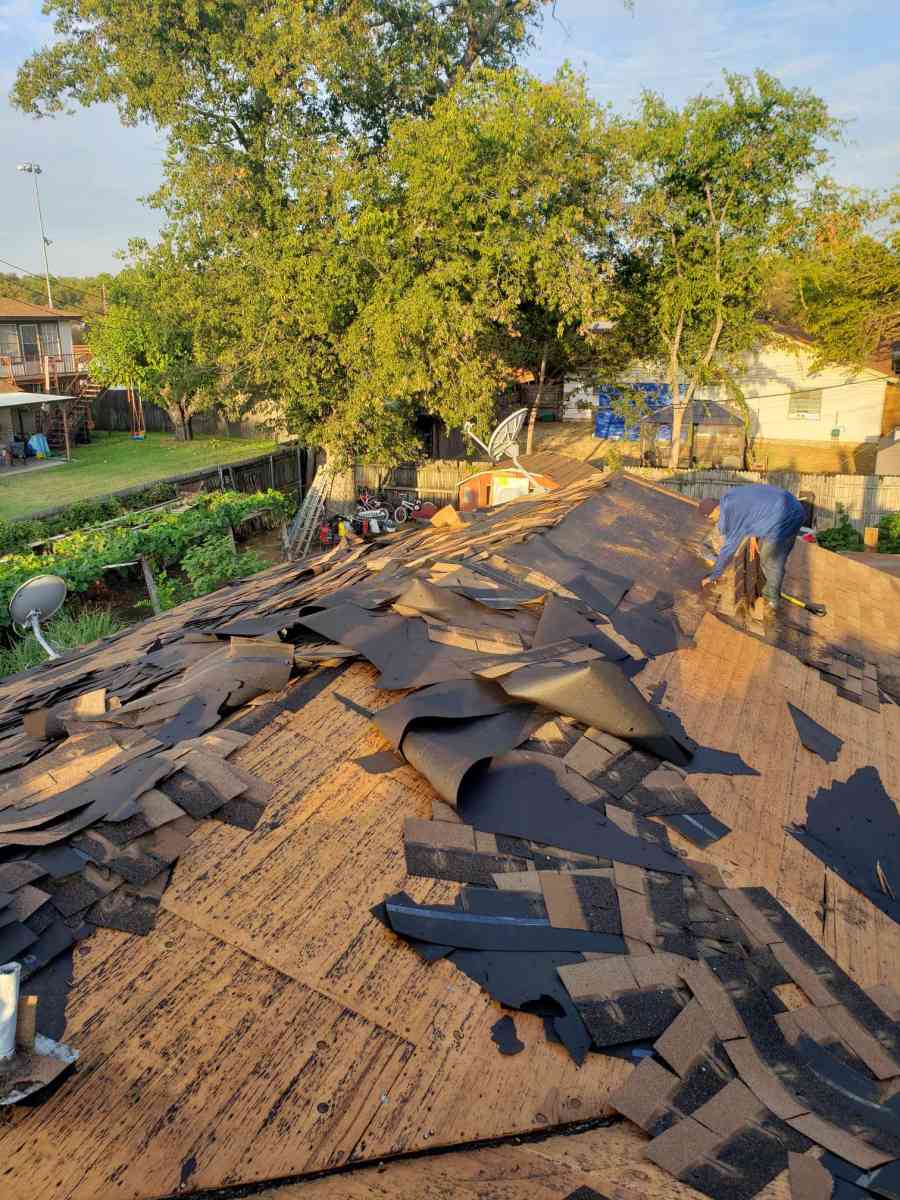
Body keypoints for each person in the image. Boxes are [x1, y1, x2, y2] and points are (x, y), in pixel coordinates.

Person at [698, 484, 806, 611]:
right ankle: (770, 587)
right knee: (768, 556)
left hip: (787, 518)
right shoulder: (730, 497)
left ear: (715, 509)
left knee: (769, 559)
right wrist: (754, 534)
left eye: (712, 517)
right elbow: (753, 508)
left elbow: (728, 549)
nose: (713, 520)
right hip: (790, 504)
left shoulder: (731, 514)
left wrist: (713, 576)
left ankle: (772, 600)